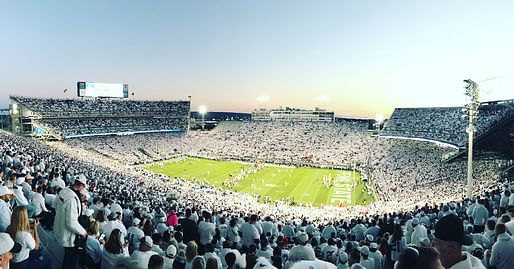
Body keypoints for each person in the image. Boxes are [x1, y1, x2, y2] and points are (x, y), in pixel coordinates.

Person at [53, 174, 88, 269]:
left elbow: (54, 205)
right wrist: (83, 232)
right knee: (70, 258)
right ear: (81, 185)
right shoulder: (72, 199)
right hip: (68, 234)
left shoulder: (64, 191)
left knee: (67, 255)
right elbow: (71, 222)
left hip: (60, 227)